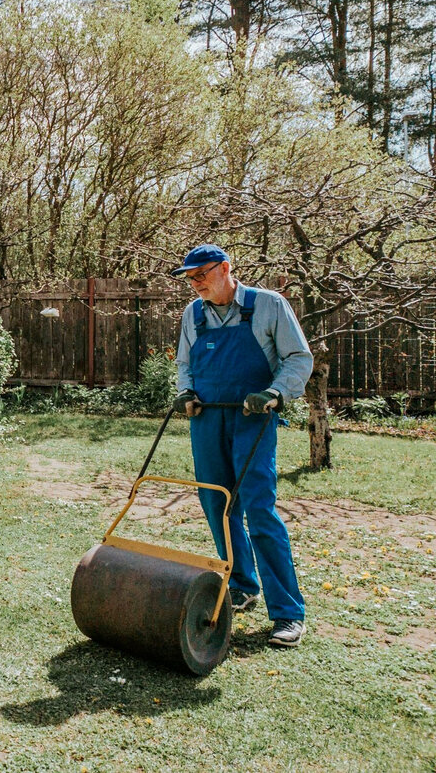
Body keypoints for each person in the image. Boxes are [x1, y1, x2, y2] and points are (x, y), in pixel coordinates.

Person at [171, 244, 313, 648]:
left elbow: (298, 359)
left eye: (201, 275)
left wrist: (273, 391)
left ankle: (288, 613)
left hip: (252, 417)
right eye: (190, 278)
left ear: (226, 269)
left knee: (258, 507)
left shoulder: (268, 305)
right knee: (217, 503)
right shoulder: (193, 313)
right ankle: (243, 585)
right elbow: (185, 363)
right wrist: (186, 393)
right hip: (207, 417)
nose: (195, 284)